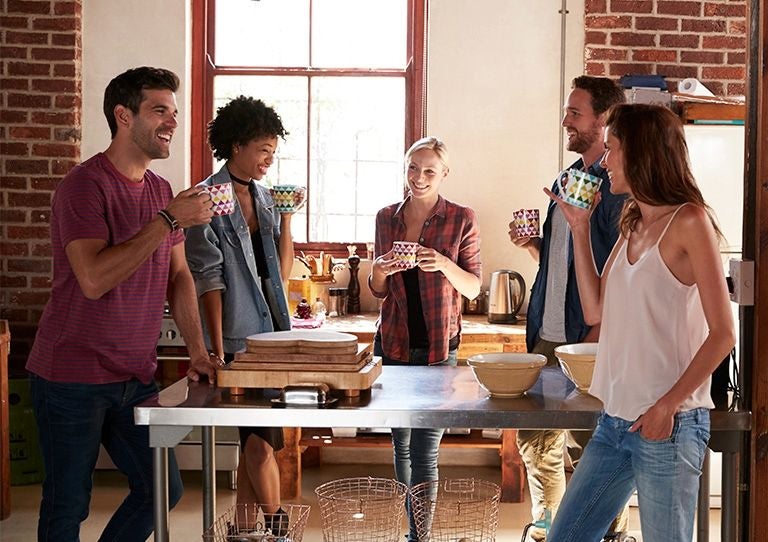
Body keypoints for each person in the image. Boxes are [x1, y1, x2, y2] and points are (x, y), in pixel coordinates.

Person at [25, 66, 219, 541]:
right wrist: (168, 220)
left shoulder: (158, 189)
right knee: (67, 505)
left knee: (162, 490)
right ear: (123, 116)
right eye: (159, 111)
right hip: (70, 376)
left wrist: (197, 351)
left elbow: (179, 276)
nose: (172, 122)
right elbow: (92, 279)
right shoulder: (83, 186)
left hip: (134, 375)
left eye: (174, 112)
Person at [546, 104, 736, 542]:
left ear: (641, 153)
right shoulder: (633, 221)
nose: (605, 160)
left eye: (612, 149)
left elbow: (723, 332)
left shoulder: (689, 221)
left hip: (667, 425)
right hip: (616, 422)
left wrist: (667, 404)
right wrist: (578, 229)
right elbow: (595, 311)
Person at [507, 75, 627, 540]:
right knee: (536, 437)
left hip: (590, 334)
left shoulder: (617, 185)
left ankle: (608, 533)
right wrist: (536, 245)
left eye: (575, 113)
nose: (565, 121)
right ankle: (549, 527)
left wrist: (602, 336)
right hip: (548, 330)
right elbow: (567, 259)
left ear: (603, 120)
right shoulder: (567, 178)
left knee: (593, 441)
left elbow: (620, 269)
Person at [185, 95, 298, 535]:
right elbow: (208, 278)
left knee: (255, 439)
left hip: (274, 335)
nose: (270, 159)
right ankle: (277, 522)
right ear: (236, 145)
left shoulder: (267, 197)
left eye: (273, 150)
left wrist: (287, 218)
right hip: (237, 341)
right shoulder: (205, 199)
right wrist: (216, 348)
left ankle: (243, 530)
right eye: (263, 150)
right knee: (260, 441)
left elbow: (282, 274)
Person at [368, 136, 482, 542]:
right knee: (400, 444)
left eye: (429, 171)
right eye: (413, 168)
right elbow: (377, 289)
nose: (418, 178)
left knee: (425, 450)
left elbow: (472, 288)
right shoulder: (386, 218)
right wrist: (379, 270)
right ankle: (411, 531)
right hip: (394, 344)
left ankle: (421, 536)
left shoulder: (461, 218)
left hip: (438, 350)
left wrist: (444, 263)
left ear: (444, 174)